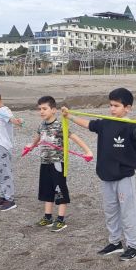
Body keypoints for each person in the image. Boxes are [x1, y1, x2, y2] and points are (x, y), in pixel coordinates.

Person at [61, 88, 136, 261]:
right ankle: (115, 242)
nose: (112, 109)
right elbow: (87, 124)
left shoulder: (131, 125)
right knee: (110, 211)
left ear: (128, 108)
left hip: (124, 176)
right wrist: (69, 116)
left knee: (127, 212)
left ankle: (133, 246)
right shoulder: (105, 123)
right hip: (106, 175)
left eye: (116, 106)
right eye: (111, 105)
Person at [25, 96, 93, 231]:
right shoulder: (41, 125)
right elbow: (38, 138)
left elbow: (74, 137)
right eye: (40, 109)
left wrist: (87, 151)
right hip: (45, 163)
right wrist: (31, 146)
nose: (41, 112)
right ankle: (48, 217)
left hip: (57, 164)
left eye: (45, 109)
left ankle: (61, 219)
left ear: (54, 110)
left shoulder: (60, 125)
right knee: (46, 190)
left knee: (59, 190)